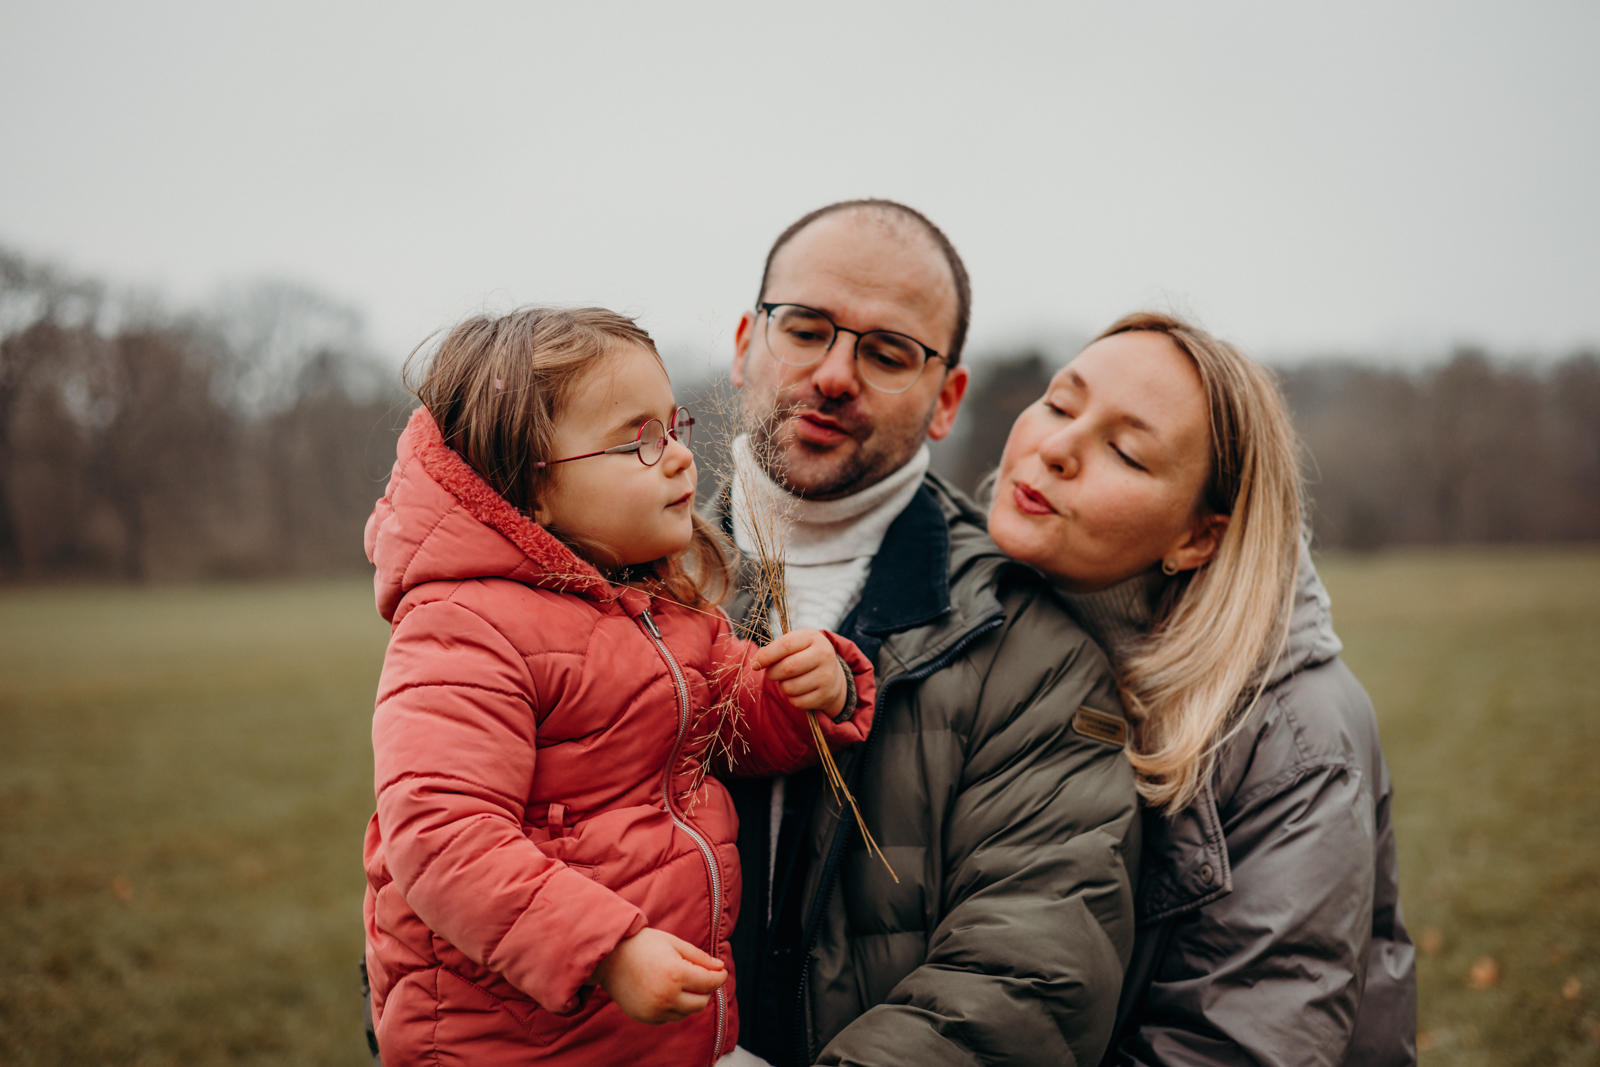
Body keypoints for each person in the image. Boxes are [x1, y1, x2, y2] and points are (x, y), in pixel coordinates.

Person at [360, 307, 879, 1066]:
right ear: (528, 485)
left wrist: (812, 693)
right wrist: (606, 948)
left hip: (652, 1035)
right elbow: (443, 835)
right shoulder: (465, 625)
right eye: (639, 440)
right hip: (520, 1038)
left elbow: (732, 731)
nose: (677, 459)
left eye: (674, 428)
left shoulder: (668, 614)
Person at [720, 200, 1142, 1067]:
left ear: (947, 397)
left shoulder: (1030, 651)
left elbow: (1029, 984)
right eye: (804, 329)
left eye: (886, 352)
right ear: (743, 345)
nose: (835, 373)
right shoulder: (602, 585)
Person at [986, 311, 1416, 1067]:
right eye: (1059, 402)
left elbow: (1235, 1044)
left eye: (1124, 450)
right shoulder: (972, 610)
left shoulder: (1297, 735)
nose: (1054, 449)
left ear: (1198, 537)